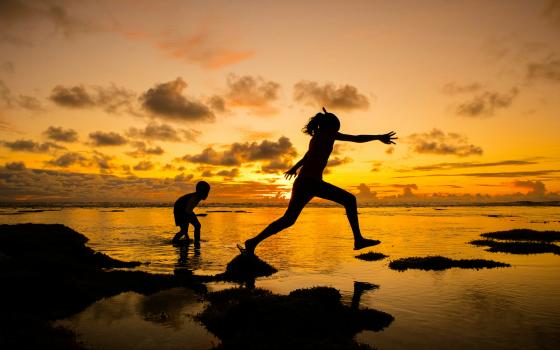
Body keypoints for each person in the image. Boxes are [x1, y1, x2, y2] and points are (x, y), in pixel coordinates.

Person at [242, 108, 397, 255]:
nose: (337, 131)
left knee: (288, 219)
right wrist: (378, 137)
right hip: (311, 183)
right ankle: (358, 240)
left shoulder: (318, 136)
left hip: (304, 182)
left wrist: (294, 168)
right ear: (330, 127)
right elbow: (356, 138)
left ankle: (252, 242)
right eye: (336, 127)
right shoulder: (327, 135)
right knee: (349, 200)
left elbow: (307, 156)